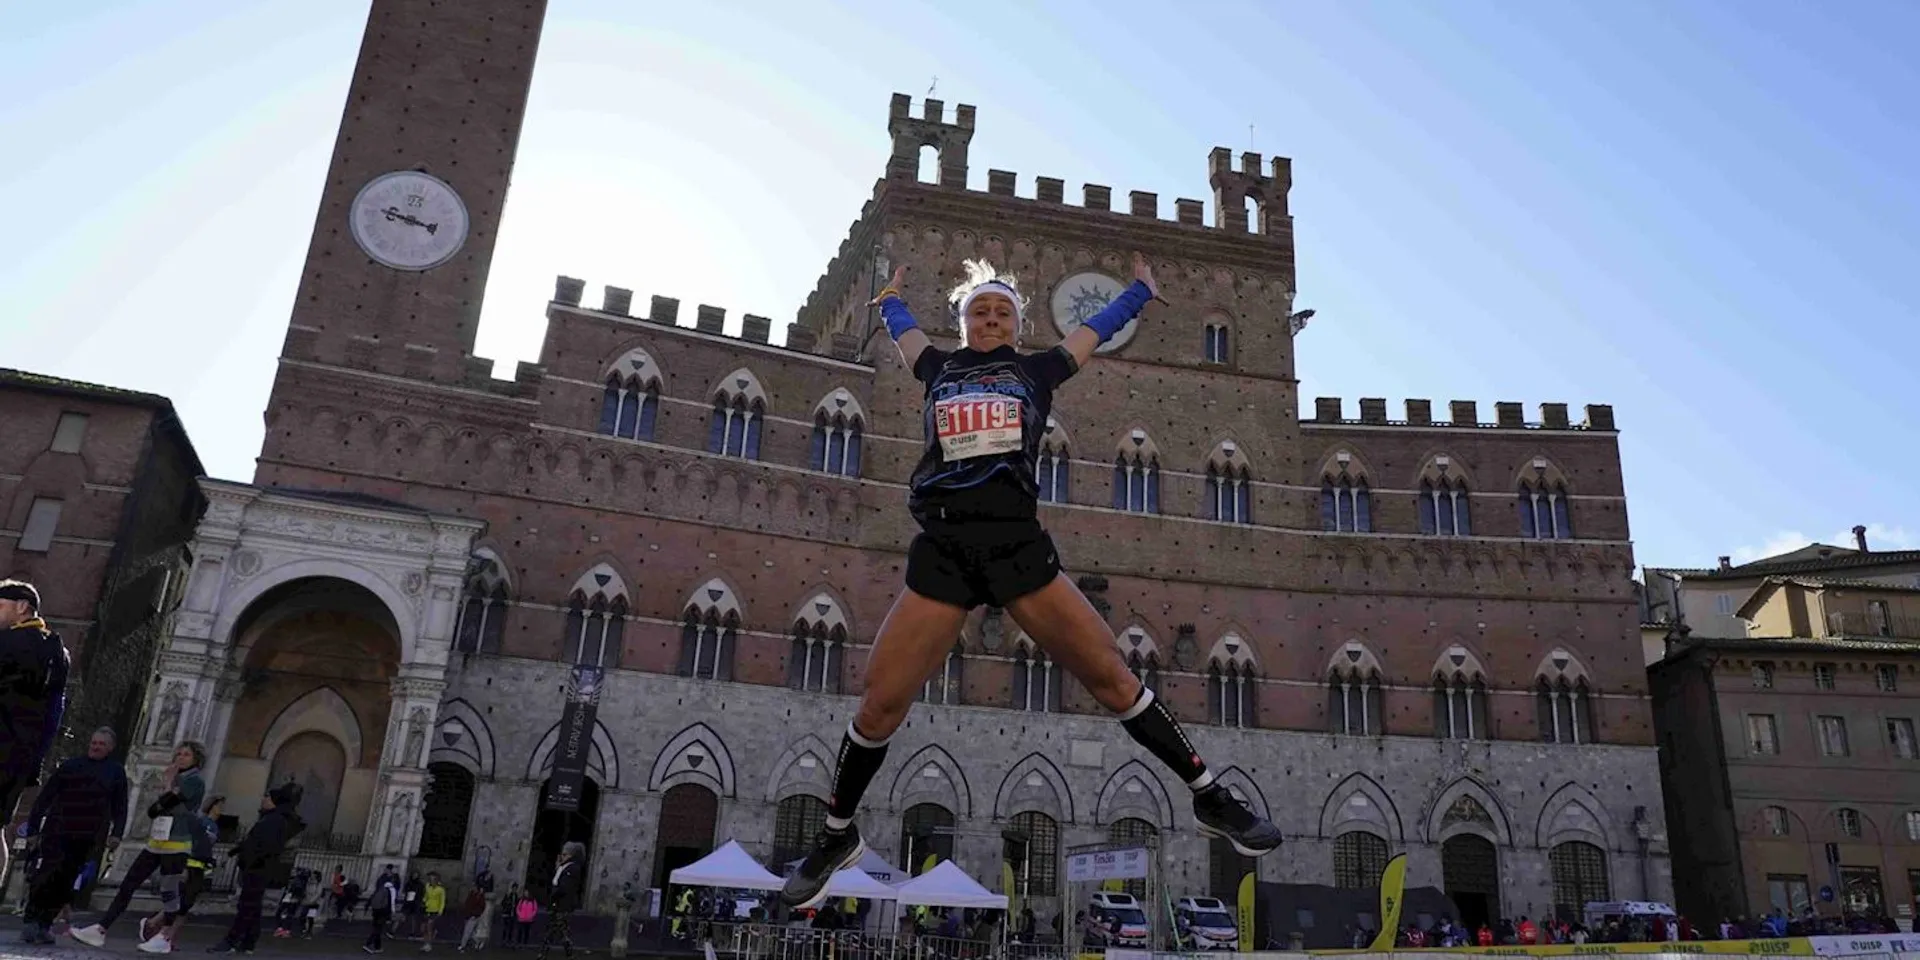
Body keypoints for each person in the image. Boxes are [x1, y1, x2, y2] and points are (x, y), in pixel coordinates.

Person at [779, 256, 1283, 906]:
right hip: (944, 549)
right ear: (964, 323)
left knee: (1113, 680)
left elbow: (1093, 330)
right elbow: (903, 330)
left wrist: (1139, 293)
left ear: (1017, 326)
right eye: (979, 311)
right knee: (878, 706)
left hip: (1016, 545)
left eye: (1002, 312)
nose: (990, 318)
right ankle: (835, 835)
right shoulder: (937, 367)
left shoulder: (1038, 371)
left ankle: (1211, 796)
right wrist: (889, 301)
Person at [71, 741, 207, 947]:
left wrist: (168, 787)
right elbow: (154, 810)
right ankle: (101, 928)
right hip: (157, 842)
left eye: (186, 754)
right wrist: (168, 793)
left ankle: (164, 936)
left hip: (177, 844)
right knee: (128, 884)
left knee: (169, 890)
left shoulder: (194, 781)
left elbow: (171, 805)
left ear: (196, 759)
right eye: (178, 753)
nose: (180, 757)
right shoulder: (177, 779)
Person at [19, 726, 127, 944]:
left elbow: (120, 806)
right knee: (46, 875)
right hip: (57, 830)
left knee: (65, 881)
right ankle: (31, 920)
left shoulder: (115, 772)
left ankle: (45, 924)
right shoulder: (71, 766)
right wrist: (32, 829)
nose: (96, 747)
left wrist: (117, 833)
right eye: (94, 743)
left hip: (87, 835)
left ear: (110, 748)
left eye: (101, 744)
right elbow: (45, 797)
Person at [0, 579, 70, 882]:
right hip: (21, 755)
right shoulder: (59, 652)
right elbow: (56, 711)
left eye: (0, 607)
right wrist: (36, 761)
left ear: (21, 608)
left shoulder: (8, 643)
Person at [208, 782, 306, 954]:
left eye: (267, 797)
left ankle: (232, 940)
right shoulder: (274, 819)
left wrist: (248, 858)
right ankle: (248, 941)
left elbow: (262, 845)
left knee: (246, 906)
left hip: (257, 868)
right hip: (260, 868)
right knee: (252, 907)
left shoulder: (273, 820)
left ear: (274, 801)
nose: (263, 799)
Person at [137, 795, 224, 955]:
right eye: (219, 806)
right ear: (212, 806)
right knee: (181, 903)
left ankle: (166, 936)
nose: (221, 810)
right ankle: (157, 928)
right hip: (190, 866)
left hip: (200, 868)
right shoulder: (202, 822)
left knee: (186, 905)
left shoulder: (214, 826)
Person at [537, 842, 585, 960]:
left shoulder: (573, 868)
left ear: (570, 855)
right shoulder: (564, 867)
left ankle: (547, 954)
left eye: (564, 855)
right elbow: (556, 881)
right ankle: (547, 954)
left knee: (559, 931)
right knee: (556, 931)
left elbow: (563, 887)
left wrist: (554, 895)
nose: (561, 857)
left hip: (563, 906)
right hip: (557, 905)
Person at [367, 866, 402, 954]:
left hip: (377, 908)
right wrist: (393, 912)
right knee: (378, 928)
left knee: (377, 927)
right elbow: (393, 901)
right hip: (385, 910)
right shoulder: (392, 889)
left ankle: (375, 946)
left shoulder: (382, 883)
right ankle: (370, 945)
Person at [457, 883, 489, 952]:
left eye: (474, 887)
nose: (472, 888)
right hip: (468, 915)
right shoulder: (472, 894)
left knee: (467, 932)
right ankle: (478, 942)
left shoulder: (479, 896)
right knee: (470, 933)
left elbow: (481, 908)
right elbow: (467, 904)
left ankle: (463, 946)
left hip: (473, 916)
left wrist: (475, 915)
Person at [422, 871, 447, 951]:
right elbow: (426, 895)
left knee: (429, 927)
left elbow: (442, 901)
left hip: (435, 910)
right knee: (423, 928)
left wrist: (440, 911)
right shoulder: (427, 886)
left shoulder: (441, 890)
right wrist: (424, 901)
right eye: (430, 879)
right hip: (427, 908)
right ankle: (425, 943)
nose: (431, 881)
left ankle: (429, 944)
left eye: (433, 879)